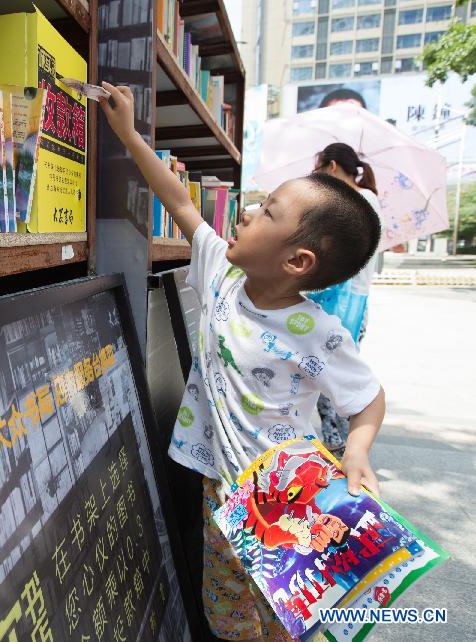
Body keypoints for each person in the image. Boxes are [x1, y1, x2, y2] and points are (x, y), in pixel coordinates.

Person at [99, 82, 385, 642]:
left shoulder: (317, 332)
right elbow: (179, 203)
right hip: (221, 488)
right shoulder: (221, 273)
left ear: (297, 260)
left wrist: (356, 451)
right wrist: (129, 135)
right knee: (227, 603)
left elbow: (366, 397)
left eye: (266, 211)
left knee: (286, 609)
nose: (248, 211)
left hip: (287, 498)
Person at [308, 143, 384, 457]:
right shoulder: (366, 199)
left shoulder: (359, 200)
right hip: (349, 299)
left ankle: (338, 447)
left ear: (334, 165)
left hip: (344, 300)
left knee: (328, 372)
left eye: (321, 170)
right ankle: (336, 444)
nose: (320, 177)